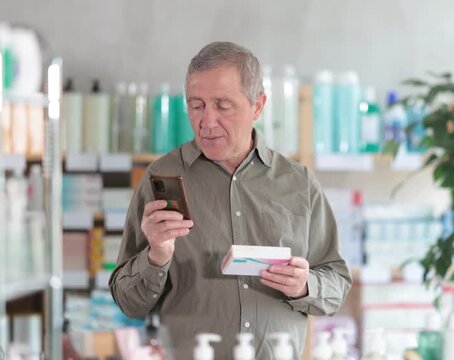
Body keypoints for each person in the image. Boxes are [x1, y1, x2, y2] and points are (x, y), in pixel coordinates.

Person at [109, 41, 351, 359]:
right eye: (197, 106)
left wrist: (306, 286)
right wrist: (156, 255)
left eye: (223, 106)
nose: (207, 121)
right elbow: (128, 302)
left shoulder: (297, 182)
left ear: (258, 106)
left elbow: (337, 282)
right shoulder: (162, 178)